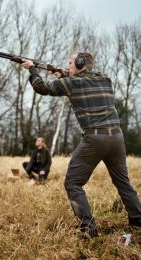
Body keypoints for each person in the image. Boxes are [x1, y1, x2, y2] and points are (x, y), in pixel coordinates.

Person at [20, 52, 141, 238]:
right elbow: (84, 82)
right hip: (116, 138)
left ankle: (88, 228)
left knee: (73, 183)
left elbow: (41, 87)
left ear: (80, 62)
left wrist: (32, 69)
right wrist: (66, 75)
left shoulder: (71, 83)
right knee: (123, 183)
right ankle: (137, 221)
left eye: (70, 62)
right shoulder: (105, 79)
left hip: (95, 138)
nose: (68, 65)